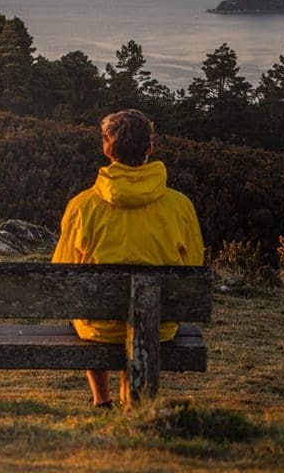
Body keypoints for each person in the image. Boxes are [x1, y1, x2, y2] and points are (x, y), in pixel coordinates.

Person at [51, 108, 205, 408]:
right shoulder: (179, 206)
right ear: (150, 147)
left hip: (100, 326)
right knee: (135, 319)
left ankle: (102, 400)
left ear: (106, 148)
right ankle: (135, 402)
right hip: (158, 325)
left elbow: (62, 271)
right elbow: (194, 265)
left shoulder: (82, 205)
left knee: (87, 311)